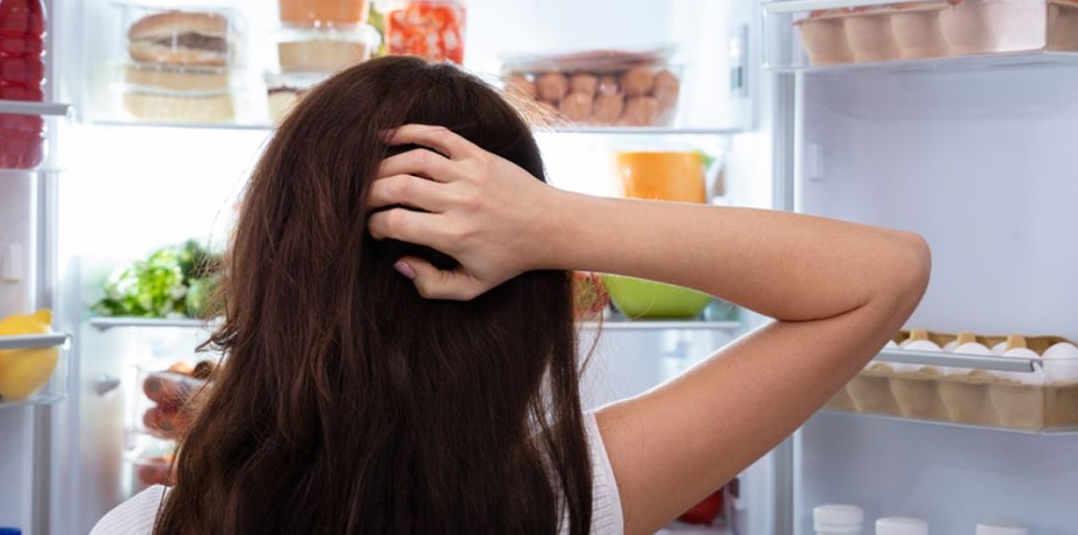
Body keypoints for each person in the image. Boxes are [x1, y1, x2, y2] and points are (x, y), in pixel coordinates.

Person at [91, 56, 930, 535]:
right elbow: (883, 273)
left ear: (276, 271)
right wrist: (553, 222)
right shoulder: (562, 498)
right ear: (526, 303)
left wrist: (275, 423)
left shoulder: (143, 527)